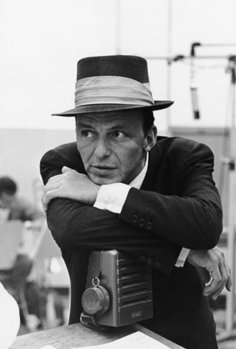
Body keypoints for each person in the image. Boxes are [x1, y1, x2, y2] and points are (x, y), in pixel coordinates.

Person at [40, 55, 232, 349]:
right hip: (94, 338)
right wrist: (182, 250)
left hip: (179, 339)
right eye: (87, 133)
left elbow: (205, 226)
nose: (99, 152)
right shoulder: (64, 164)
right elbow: (74, 230)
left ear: (149, 137)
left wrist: (101, 194)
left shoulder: (185, 158)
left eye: (117, 134)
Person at [0, 176, 44, 330]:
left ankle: (13, 290)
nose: (10, 202)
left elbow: (39, 216)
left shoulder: (19, 204)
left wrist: (27, 224)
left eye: (12, 198)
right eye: (7, 198)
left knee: (26, 261)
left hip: (11, 255)